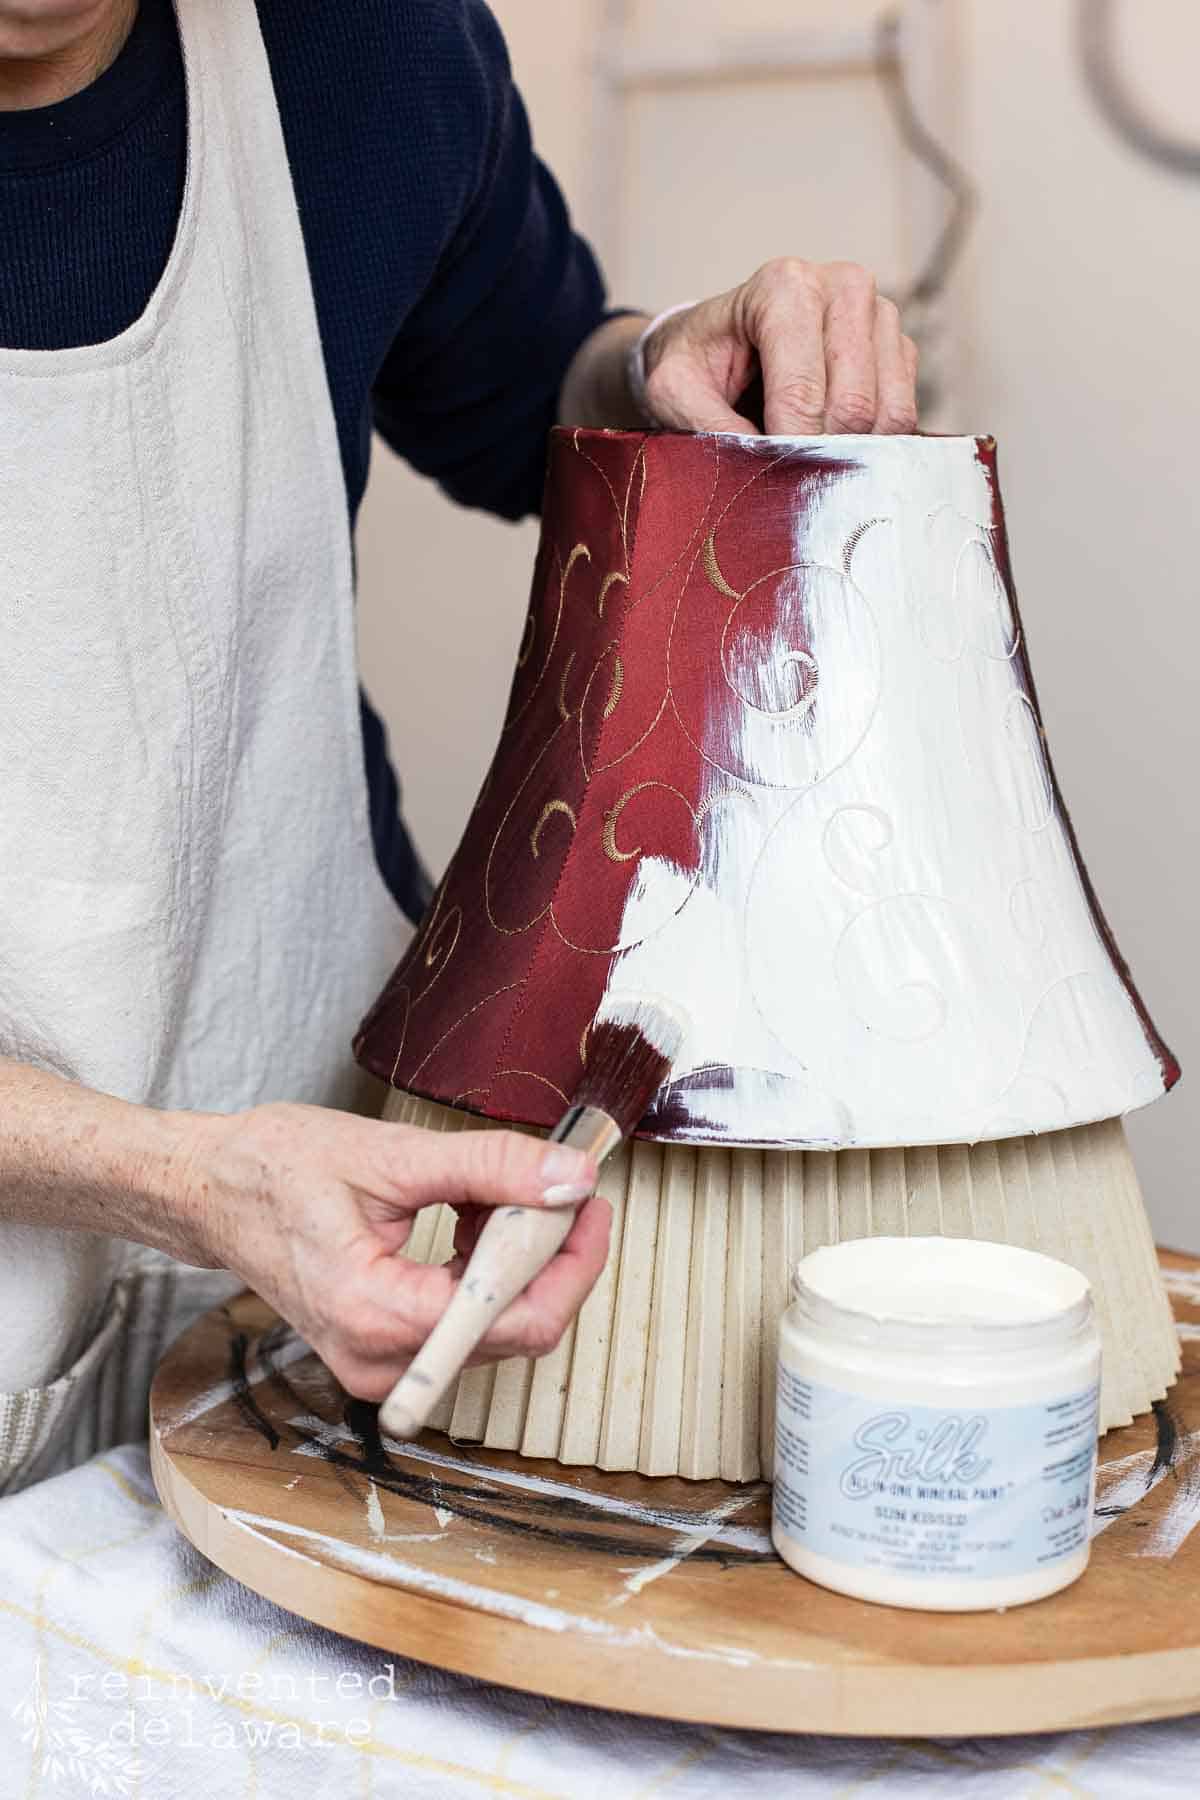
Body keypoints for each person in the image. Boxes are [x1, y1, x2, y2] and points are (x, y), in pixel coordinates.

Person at [0, 0, 918, 1493]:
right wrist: (179, 1179)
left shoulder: (358, 52)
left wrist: (676, 370)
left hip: (321, 1233)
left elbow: (534, 397)